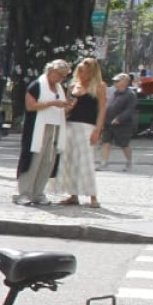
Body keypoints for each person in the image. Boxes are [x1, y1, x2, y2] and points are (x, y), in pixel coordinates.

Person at [14, 58, 70, 205]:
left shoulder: (59, 88)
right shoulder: (37, 85)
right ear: (51, 72)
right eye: (60, 75)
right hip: (37, 127)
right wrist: (52, 103)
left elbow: (62, 110)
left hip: (54, 126)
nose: (62, 78)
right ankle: (24, 193)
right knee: (33, 160)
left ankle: (38, 192)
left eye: (64, 76)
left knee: (47, 162)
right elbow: (30, 106)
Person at [56, 56, 104, 206]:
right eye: (81, 71)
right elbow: (68, 107)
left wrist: (98, 130)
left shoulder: (99, 86)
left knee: (85, 160)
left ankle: (93, 196)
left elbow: (102, 109)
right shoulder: (73, 86)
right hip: (70, 124)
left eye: (86, 71)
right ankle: (73, 194)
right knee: (69, 159)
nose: (82, 74)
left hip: (87, 126)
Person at [99, 71, 138, 171]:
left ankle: (129, 162)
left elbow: (130, 109)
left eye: (117, 81)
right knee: (105, 142)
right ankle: (104, 163)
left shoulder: (130, 94)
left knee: (124, 144)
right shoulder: (112, 91)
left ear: (125, 82)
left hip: (123, 124)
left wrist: (119, 118)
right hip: (108, 122)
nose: (115, 82)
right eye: (115, 81)